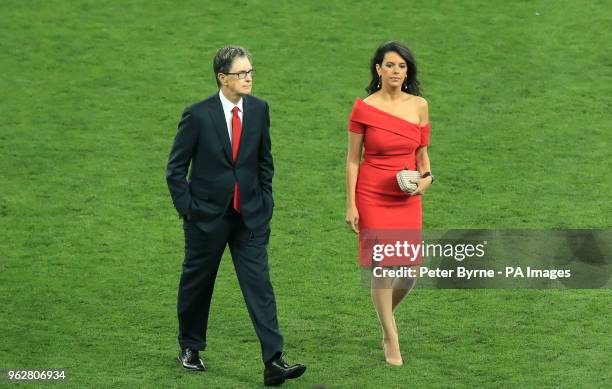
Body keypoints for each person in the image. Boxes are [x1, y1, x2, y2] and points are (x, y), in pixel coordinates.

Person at [166, 45, 306, 386]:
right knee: (198, 284)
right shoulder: (197, 115)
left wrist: (266, 202)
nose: (248, 78)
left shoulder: (259, 110)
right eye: (241, 73)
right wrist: (190, 211)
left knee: (260, 286)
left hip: (250, 217)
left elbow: (264, 162)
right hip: (207, 219)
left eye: (250, 72)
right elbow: (175, 170)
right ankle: (190, 346)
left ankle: (274, 361)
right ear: (222, 78)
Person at [345, 41, 435, 366]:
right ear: (378, 69)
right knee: (382, 267)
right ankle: (390, 336)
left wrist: (426, 180)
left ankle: (385, 316)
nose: (396, 71)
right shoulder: (364, 108)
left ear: (407, 71)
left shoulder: (420, 106)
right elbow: (353, 160)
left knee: (410, 271)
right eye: (390, 65)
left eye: (401, 66)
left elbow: (422, 155)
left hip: (406, 196)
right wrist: (351, 204)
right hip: (372, 194)